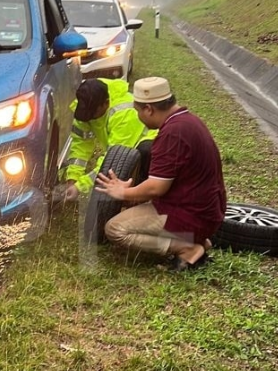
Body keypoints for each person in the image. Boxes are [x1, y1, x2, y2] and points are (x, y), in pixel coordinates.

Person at [95, 77, 226, 271]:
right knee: (132, 206)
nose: (138, 116)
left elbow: (157, 187)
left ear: (149, 109)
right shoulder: (188, 120)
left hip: (191, 215)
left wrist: (123, 193)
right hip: (206, 210)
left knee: (115, 229)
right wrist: (131, 191)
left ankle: (188, 247)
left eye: (138, 111)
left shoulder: (172, 134)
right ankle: (195, 238)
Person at [56, 77, 157, 202]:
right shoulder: (85, 106)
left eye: (93, 114)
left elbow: (113, 159)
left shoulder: (125, 114)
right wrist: (72, 179)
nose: (90, 118)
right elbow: (80, 146)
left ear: (106, 103)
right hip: (123, 151)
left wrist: (80, 187)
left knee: (139, 157)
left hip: (150, 151)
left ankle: (141, 197)